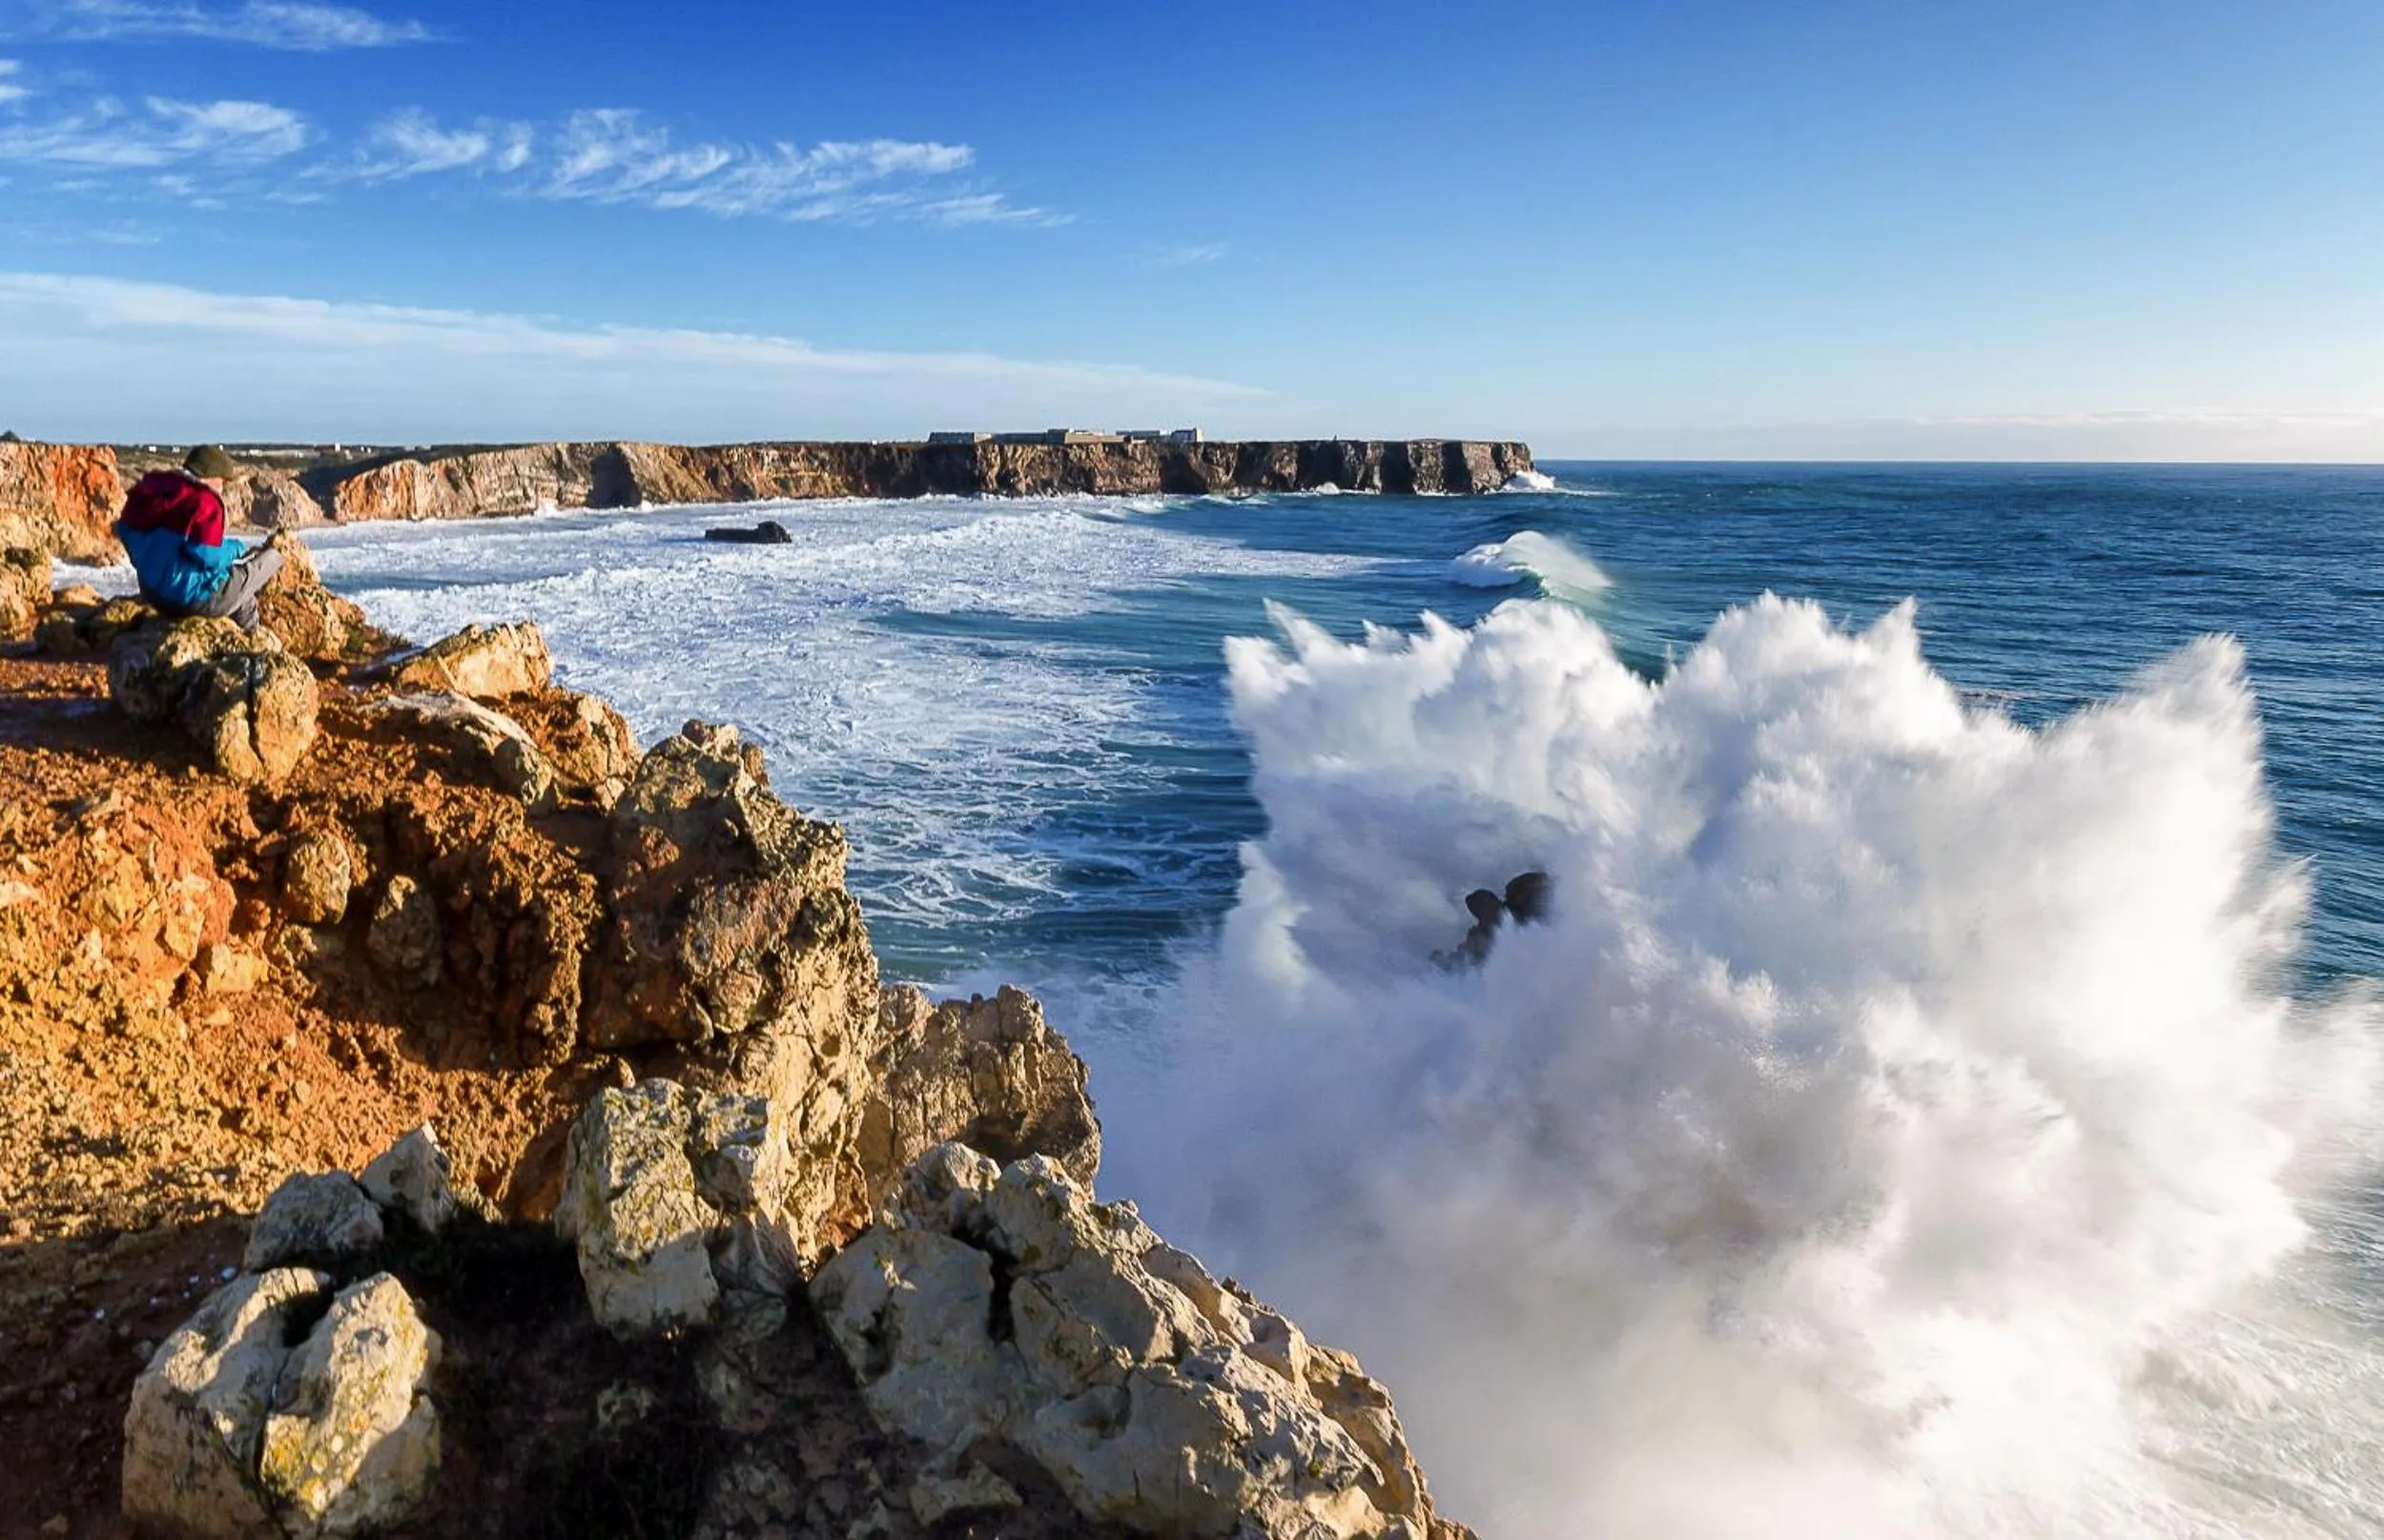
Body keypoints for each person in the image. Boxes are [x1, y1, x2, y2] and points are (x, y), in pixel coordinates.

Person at [114, 462, 282, 629]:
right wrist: (238, 549)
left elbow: (125, 530)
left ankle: (245, 632)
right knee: (267, 561)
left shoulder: (157, 493)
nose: (222, 489)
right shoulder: (203, 500)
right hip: (192, 599)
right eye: (222, 482)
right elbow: (207, 554)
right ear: (211, 476)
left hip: (153, 593)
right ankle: (253, 638)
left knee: (242, 594)